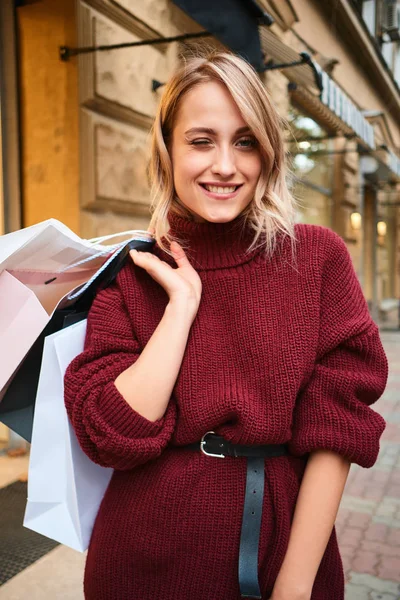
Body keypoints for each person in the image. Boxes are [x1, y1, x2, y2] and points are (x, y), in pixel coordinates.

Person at [64, 51, 388, 600]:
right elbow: (114, 436)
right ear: (167, 151)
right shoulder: (132, 271)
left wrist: (295, 584)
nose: (225, 166)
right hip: (142, 562)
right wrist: (181, 308)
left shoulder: (316, 259)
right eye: (200, 141)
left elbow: (339, 429)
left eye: (245, 141)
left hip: (284, 547)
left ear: (268, 152)